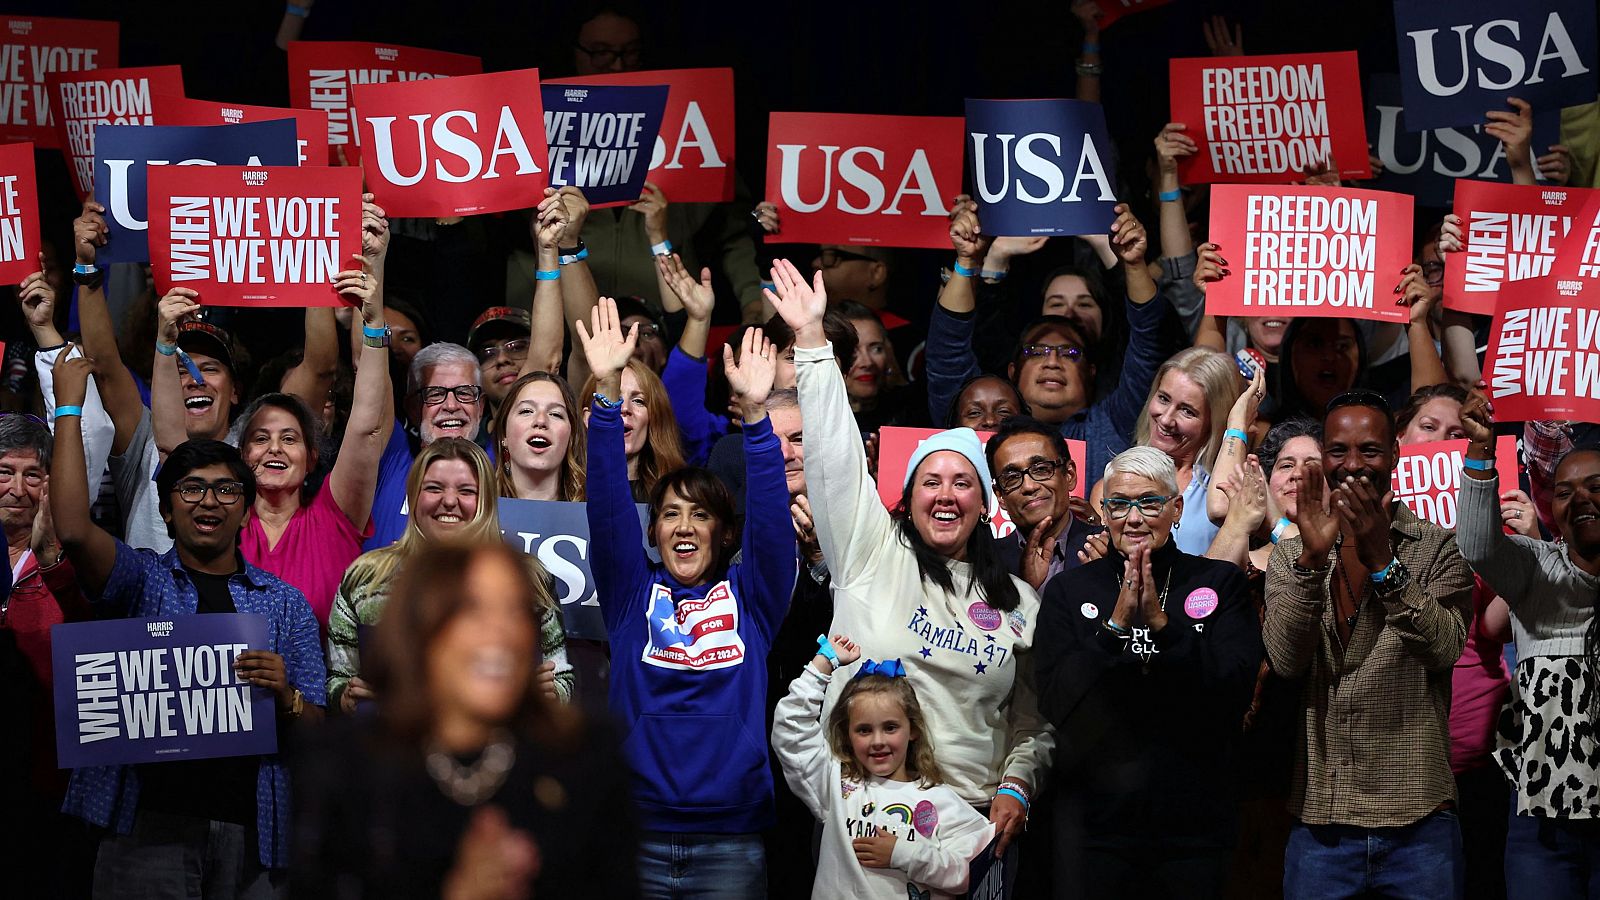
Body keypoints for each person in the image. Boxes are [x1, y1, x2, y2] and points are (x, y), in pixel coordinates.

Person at [772, 257, 1052, 860]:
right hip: (866, 819)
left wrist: (1019, 784)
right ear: (906, 496)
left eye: (962, 482)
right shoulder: (871, 551)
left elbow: (1033, 721)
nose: (945, 494)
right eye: (930, 481)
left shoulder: (1019, 603)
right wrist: (814, 346)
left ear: (985, 503)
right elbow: (838, 458)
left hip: (970, 830)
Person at [52, 351, 325, 895]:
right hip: (145, 831)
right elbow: (76, 532)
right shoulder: (140, 582)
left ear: (246, 510)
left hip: (253, 838)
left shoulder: (285, 604)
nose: (210, 502)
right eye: (192, 489)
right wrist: (67, 408)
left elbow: (321, 730)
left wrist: (288, 697)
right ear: (168, 509)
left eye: (227, 491)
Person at [581, 297, 796, 897]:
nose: (682, 526)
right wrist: (604, 395)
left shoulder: (752, 598)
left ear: (725, 533)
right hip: (636, 830)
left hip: (731, 838)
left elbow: (774, 530)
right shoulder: (630, 595)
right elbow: (606, 506)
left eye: (700, 515)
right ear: (652, 532)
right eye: (669, 514)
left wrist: (755, 416)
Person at [291, 542, 640, 899]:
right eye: (472, 609)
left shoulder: (584, 757)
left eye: (516, 610)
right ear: (422, 632)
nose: (500, 630)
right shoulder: (349, 767)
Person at [1263, 389, 1474, 899]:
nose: (1353, 464)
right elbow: (1288, 661)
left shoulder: (1439, 546)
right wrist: (1313, 564)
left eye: (1370, 450)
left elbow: (1444, 649)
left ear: (1396, 454)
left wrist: (1384, 562)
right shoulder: (1292, 553)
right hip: (1323, 825)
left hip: (1419, 823)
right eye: (1338, 450)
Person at [1035, 446, 1263, 898]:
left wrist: (1163, 625)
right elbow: (1056, 701)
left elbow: (1233, 692)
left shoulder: (1219, 583)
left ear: (1176, 508)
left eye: (1150, 502)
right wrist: (1115, 627)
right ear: (1103, 512)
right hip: (1094, 830)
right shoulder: (1068, 590)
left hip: (1193, 828)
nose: (1134, 517)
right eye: (1119, 503)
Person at [1458, 389, 1599, 899]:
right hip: (1542, 821)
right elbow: (1475, 545)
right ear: (1551, 507)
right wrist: (1480, 451)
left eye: (1596, 486)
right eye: (1564, 491)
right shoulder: (1535, 567)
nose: (1580, 497)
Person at [927, 198, 1164, 485]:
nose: (1052, 361)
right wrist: (967, 262)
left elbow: (1149, 342)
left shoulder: (1113, 424)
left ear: (1091, 372)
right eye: (1037, 351)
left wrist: (1135, 265)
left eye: (1069, 352)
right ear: (1013, 371)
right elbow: (947, 354)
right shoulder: (984, 427)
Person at [328, 438, 573, 713]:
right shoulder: (364, 578)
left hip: (497, 749)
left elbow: (561, 678)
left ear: (486, 502)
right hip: (393, 746)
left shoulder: (526, 580)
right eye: (434, 488)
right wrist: (345, 697)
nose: (449, 501)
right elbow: (337, 681)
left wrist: (548, 693)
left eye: (466, 490)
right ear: (413, 496)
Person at [220, 258, 392, 630]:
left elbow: (366, 428)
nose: (275, 449)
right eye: (260, 439)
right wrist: (166, 345)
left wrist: (375, 327)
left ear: (312, 458)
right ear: (241, 456)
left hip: (322, 687)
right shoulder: (220, 524)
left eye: (290, 439)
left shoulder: (334, 517)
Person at [772, 634, 995, 900]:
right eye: (864, 730)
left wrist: (903, 854)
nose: (878, 741)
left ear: (912, 729)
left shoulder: (940, 800)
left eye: (890, 728)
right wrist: (823, 664)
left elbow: (974, 871)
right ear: (847, 735)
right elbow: (791, 728)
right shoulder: (835, 785)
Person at [1103, 346, 1241, 556]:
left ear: (1214, 421)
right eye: (1164, 398)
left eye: (1187, 411)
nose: (1166, 419)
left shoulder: (1224, 489)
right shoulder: (1115, 480)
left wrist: (1238, 424)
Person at [366, 343, 487, 550]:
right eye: (435, 393)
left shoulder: (498, 466)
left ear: (480, 407)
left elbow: (543, 361)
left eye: (465, 393)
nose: (451, 405)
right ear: (413, 408)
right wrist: (372, 319)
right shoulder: (392, 460)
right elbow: (368, 368)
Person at [985, 416, 1101, 592]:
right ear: (1000, 496)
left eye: (1041, 469)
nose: (1029, 486)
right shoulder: (987, 561)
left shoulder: (1107, 548)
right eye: (1012, 477)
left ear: (1069, 475)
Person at [580, 356, 686, 503]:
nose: (624, 408)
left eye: (638, 401)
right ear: (588, 418)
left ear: (654, 418)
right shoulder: (567, 491)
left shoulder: (679, 494)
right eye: (613, 399)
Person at [493, 371, 588, 502]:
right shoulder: (474, 509)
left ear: (571, 438)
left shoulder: (595, 513)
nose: (541, 421)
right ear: (503, 434)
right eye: (526, 411)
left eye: (555, 414)